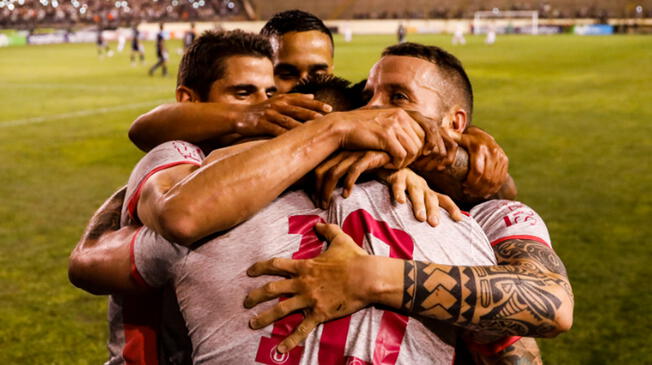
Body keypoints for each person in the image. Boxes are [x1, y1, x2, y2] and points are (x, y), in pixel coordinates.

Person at [71, 43, 571, 363]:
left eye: (395, 99)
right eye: (250, 93)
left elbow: (543, 310)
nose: (277, 100)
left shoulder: (462, 214)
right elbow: (99, 256)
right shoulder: (203, 187)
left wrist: (368, 277)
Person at [129, 10, 512, 205]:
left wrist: (463, 141)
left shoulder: (343, 113)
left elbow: (502, 193)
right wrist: (251, 115)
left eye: (318, 70)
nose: (302, 83)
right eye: (286, 72)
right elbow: (146, 128)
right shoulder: (251, 119)